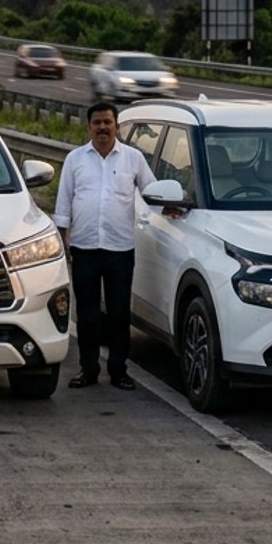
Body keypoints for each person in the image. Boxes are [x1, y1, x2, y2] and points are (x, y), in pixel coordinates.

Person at [52, 102, 174, 390]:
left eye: (108, 122)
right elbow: (63, 202)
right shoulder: (75, 159)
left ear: (117, 126)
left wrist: (170, 207)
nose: (103, 127)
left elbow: (151, 191)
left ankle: (119, 370)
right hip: (84, 248)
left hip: (120, 249)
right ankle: (88, 369)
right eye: (97, 122)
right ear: (89, 126)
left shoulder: (132, 159)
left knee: (119, 314)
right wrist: (62, 238)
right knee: (88, 313)